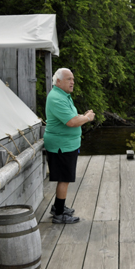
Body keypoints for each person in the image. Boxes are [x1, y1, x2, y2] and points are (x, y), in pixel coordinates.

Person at [44, 68, 95, 224]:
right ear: (58, 81)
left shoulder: (63, 96)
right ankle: (59, 215)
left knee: (64, 178)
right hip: (61, 146)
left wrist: (82, 117)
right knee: (64, 179)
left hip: (66, 145)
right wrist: (87, 118)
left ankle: (58, 207)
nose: (72, 82)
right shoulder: (57, 98)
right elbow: (72, 122)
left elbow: (72, 117)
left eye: (73, 79)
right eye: (68, 79)